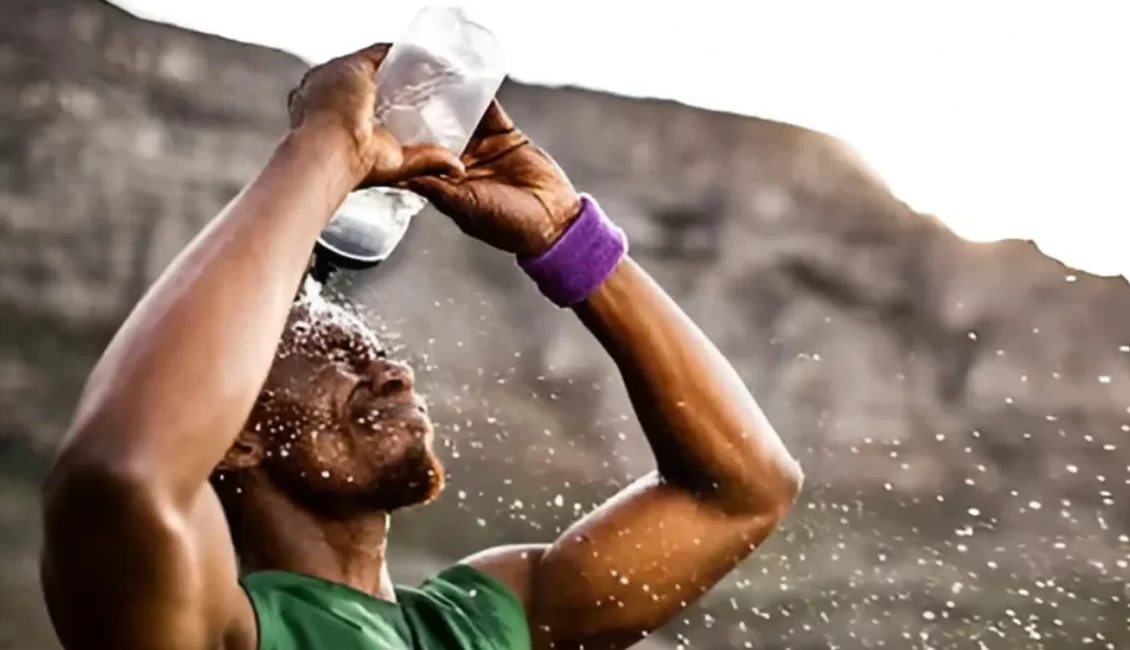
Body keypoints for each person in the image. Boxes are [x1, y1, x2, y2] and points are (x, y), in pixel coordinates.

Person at [40, 43, 803, 650]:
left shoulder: (477, 622)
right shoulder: (211, 627)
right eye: (338, 356)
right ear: (236, 433)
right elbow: (122, 473)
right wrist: (325, 148)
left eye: (373, 351)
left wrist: (566, 235)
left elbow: (741, 489)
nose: (393, 369)